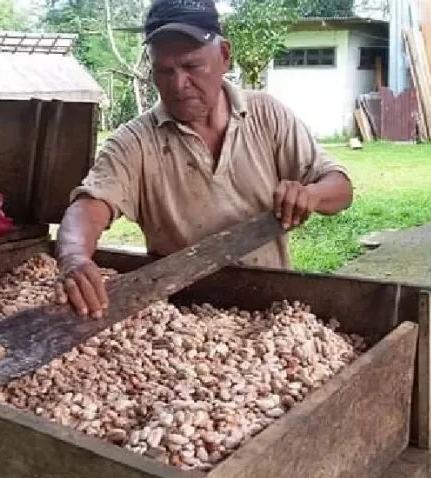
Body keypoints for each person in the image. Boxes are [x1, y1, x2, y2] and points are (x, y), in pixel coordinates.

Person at [54, 0, 354, 319]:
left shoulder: (267, 115)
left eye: (191, 67)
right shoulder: (134, 142)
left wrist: (311, 195)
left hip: (270, 309)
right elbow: (89, 207)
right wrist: (74, 257)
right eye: (164, 71)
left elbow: (341, 188)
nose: (178, 84)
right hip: (179, 316)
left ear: (224, 55)